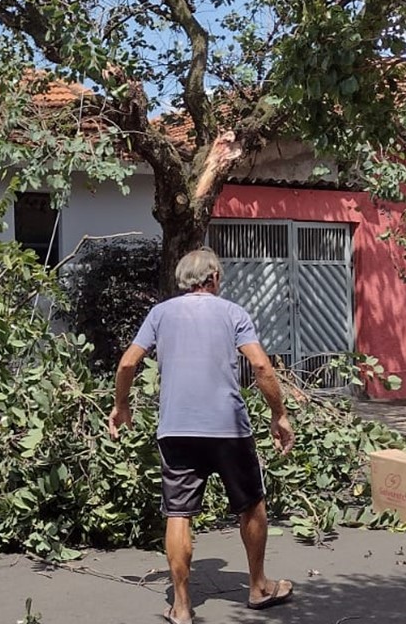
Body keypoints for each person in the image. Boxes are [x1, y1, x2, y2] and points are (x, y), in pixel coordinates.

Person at [109, 247, 294, 624]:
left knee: (178, 514)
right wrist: (280, 414)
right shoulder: (232, 312)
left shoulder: (160, 314)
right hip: (227, 427)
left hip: (176, 429)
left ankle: (180, 606)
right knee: (251, 504)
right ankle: (258, 587)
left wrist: (122, 405)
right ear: (213, 278)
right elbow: (261, 365)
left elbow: (128, 361)